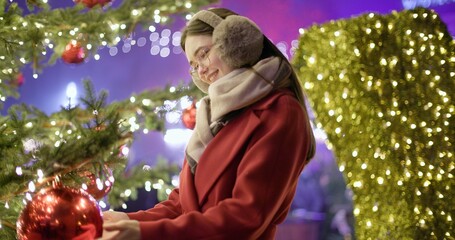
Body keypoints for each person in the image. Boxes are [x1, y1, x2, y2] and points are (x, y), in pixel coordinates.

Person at [100, 7, 315, 240]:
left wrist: (144, 232)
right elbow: (183, 204)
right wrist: (130, 220)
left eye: (203, 53)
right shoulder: (213, 117)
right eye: (193, 64)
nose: (200, 70)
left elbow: (245, 217)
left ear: (236, 42)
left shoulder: (280, 110)